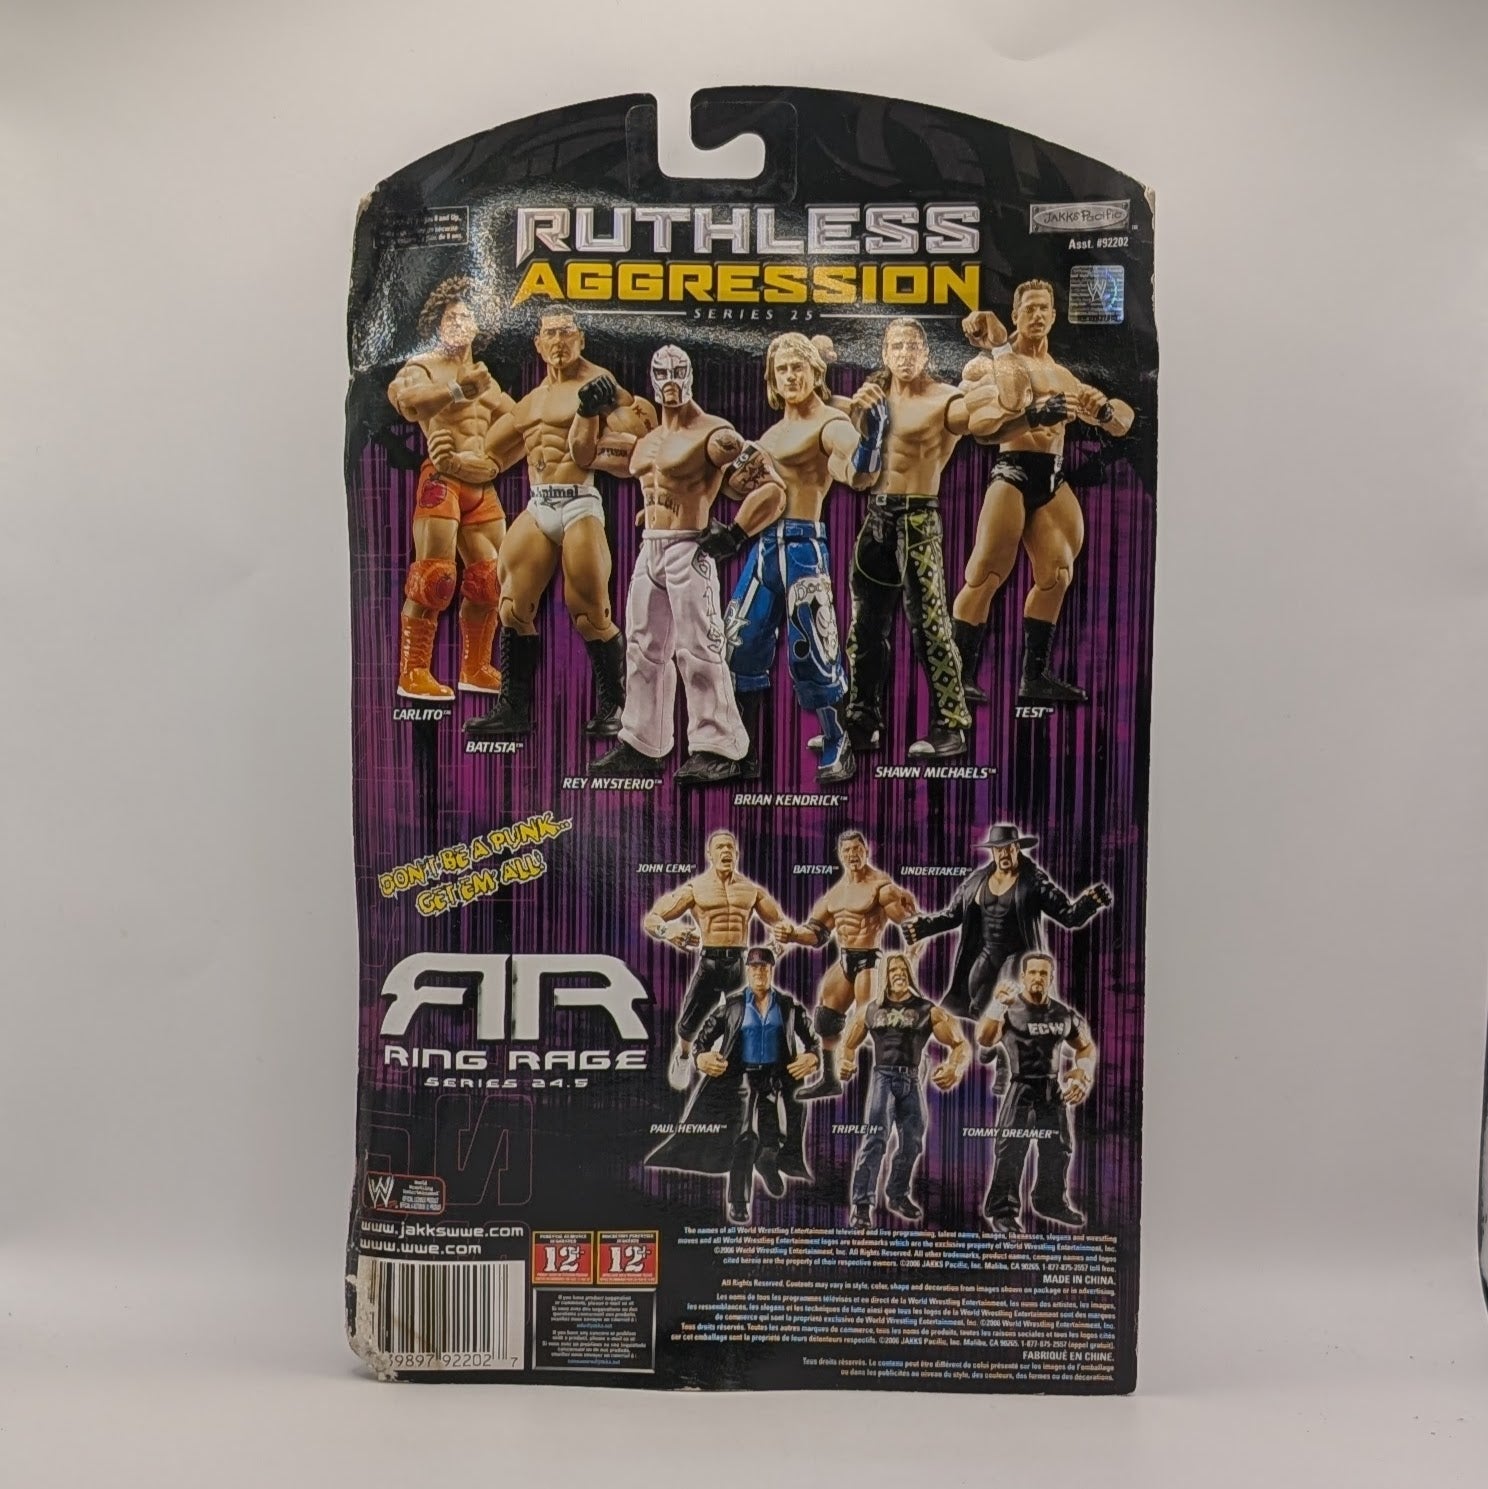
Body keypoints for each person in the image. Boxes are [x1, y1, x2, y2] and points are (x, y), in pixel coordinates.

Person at [583, 344, 788, 785]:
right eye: (662, 372)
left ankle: (720, 747)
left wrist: (736, 533)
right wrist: (586, 411)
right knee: (642, 646)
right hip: (650, 548)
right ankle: (643, 742)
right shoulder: (647, 441)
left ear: (691, 375)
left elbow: (772, 489)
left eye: (678, 371)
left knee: (698, 648)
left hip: (689, 548)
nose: (671, 380)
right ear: (652, 378)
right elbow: (586, 455)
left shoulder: (715, 435)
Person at [458, 307, 654, 739]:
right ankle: (513, 709)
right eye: (550, 334)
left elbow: (644, 436)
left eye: (566, 332)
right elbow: (490, 458)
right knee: (512, 607)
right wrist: (452, 462)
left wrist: (613, 401)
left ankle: (616, 706)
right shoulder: (529, 402)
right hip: (539, 502)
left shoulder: (599, 380)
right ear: (538, 344)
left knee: (589, 612)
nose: (559, 341)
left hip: (579, 502)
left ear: (580, 339)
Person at [839, 316, 1023, 759]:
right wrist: (861, 424)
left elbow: (1010, 405)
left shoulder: (946, 400)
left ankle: (951, 725)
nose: (905, 354)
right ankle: (863, 720)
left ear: (926, 353)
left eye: (912, 346)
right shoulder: (871, 397)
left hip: (918, 520)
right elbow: (856, 476)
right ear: (884, 353)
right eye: (897, 346)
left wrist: (1000, 349)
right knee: (865, 627)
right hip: (875, 518)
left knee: (930, 627)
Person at [950, 284, 1134, 704]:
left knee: (1057, 575)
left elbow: (1123, 422)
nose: (1036, 315)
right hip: (1013, 470)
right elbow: (986, 419)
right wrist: (1028, 406)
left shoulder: (1063, 375)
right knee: (986, 574)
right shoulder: (990, 363)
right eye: (1029, 307)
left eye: (1044, 309)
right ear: (1015, 314)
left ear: (1053, 316)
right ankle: (956, 680)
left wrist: (1104, 409)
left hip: (1052, 475)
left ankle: (1033, 678)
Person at [722, 333, 886, 784]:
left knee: (813, 649)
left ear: (816, 372)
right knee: (739, 646)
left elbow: (857, 473)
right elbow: (738, 489)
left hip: (802, 546)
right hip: (763, 546)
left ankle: (837, 740)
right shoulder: (769, 435)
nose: (790, 376)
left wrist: (872, 436)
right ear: (772, 378)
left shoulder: (829, 422)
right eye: (782, 369)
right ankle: (744, 751)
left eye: (798, 367)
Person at [386, 277, 509, 701]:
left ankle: (475, 668)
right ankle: (413, 671)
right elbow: (407, 403)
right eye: (450, 317)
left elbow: (521, 426)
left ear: (478, 325)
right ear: (437, 325)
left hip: (481, 483)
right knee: (434, 579)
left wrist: (496, 462)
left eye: (466, 316)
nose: (458, 323)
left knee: (491, 581)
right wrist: (457, 390)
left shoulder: (488, 381)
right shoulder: (423, 366)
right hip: (442, 479)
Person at [645, 947, 820, 1226]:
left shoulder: (787, 1006)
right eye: (754, 967)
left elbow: (812, 1042)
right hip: (742, 1079)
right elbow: (703, 1040)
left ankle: (767, 1163)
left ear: (772, 970)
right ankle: (739, 1200)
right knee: (746, 1137)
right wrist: (700, 1057)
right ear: (747, 970)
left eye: (764, 967)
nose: (759, 972)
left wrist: (812, 1057)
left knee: (779, 1134)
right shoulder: (733, 1006)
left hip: (775, 1079)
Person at [904, 823, 1111, 1021]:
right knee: (976, 1004)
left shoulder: (1033, 881)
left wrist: (1089, 902)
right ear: (992, 852)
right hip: (987, 954)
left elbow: (1068, 916)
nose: (1003, 854)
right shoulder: (977, 882)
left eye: (1008, 848)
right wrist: (923, 927)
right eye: (998, 849)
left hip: (1017, 954)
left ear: (1017, 849)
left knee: (1008, 1003)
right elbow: (952, 916)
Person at [641, 829, 796, 1090]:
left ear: (737, 854)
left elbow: (782, 925)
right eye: (720, 847)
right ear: (710, 855)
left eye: (730, 847)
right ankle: (683, 1055)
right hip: (710, 963)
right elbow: (651, 919)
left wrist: (776, 947)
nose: (725, 851)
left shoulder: (751, 891)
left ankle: (748, 1071)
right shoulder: (696, 889)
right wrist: (670, 932)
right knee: (689, 1022)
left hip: (739, 964)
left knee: (748, 1019)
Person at [773, 829, 917, 1100]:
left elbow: (911, 924)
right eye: (847, 850)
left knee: (869, 1020)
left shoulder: (881, 887)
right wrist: (792, 934)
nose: (852, 854)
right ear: (840, 854)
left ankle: (903, 1075)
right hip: (845, 958)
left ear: (867, 850)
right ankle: (830, 1081)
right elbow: (816, 934)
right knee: (826, 1018)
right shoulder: (835, 895)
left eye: (857, 849)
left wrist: (912, 954)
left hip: (870, 960)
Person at [838, 954, 968, 1228]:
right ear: (885, 976)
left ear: (909, 973)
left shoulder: (927, 1010)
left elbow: (960, 1043)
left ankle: (897, 1194)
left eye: (902, 969)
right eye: (893, 970)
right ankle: (862, 1206)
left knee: (913, 1141)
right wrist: (844, 1062)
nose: (898, 973)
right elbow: (847, 1044)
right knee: (875, 1140)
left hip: (911, 1079)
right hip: (882, 1079)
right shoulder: (871, 1010)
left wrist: (955, 1067)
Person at [974, 951, 1096, 1232]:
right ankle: (1003, 1210)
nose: (1038, 977)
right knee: (1011, 1148)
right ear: (1023, 976)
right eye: (1033, 972)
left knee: (1059, 1147)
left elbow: (1085, 1046)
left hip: (1051, 1087)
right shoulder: (1010, 1008)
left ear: (1051, 978)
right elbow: (985, 1038)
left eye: (1043, 973)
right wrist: (996, 1005)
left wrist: (1083, 1073)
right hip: (1021, 1085)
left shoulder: (1062, 1013)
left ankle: (1050, 1202)